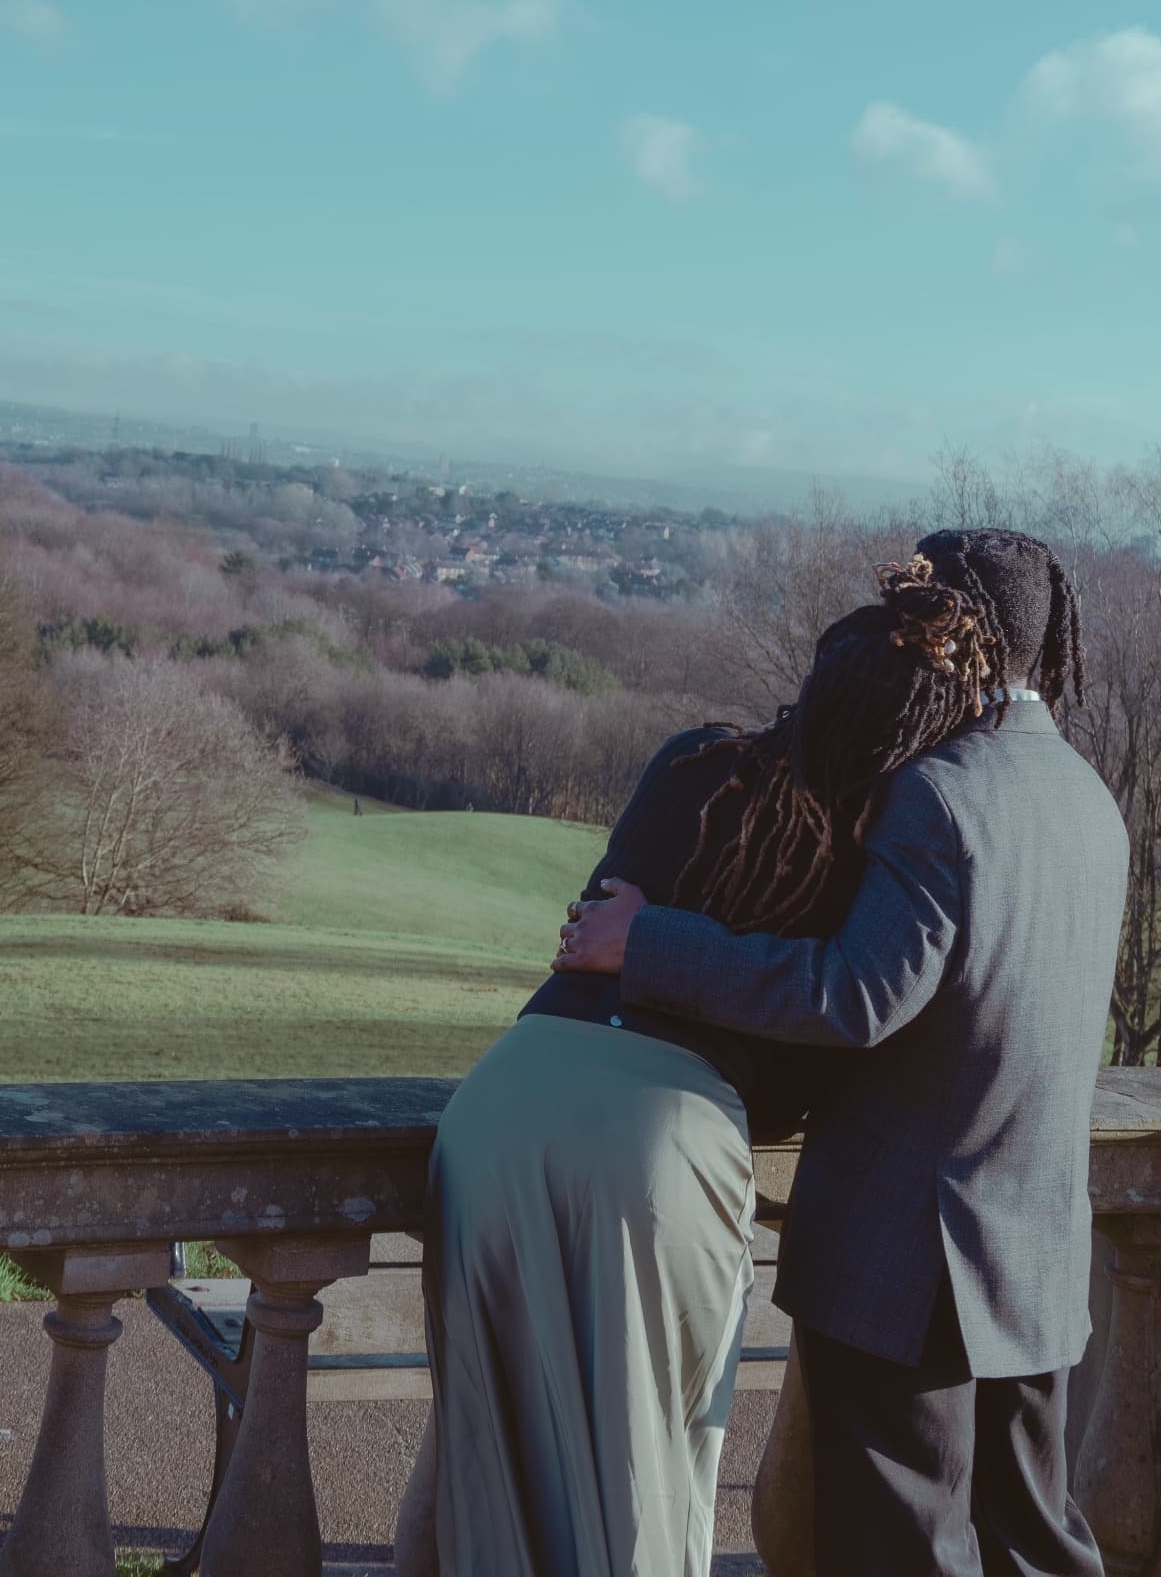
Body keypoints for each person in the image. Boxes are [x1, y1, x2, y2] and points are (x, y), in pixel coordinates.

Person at [414, 563, 1010, 1577]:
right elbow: (834, 1016)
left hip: (502, 1096)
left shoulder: (690, 757)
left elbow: (599, 915)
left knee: (485, 1461)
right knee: (644, 1485)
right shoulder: (872, 843)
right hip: (657, 1139)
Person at [559, 529, 1128, 1577]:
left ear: (944, 631)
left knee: (901, 1551)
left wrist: (645, 941)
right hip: (1036, 1251)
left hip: (910, 1258)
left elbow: (853, 995)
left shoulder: (938, 794)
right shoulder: (1085, 797)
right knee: (1034, 1545)